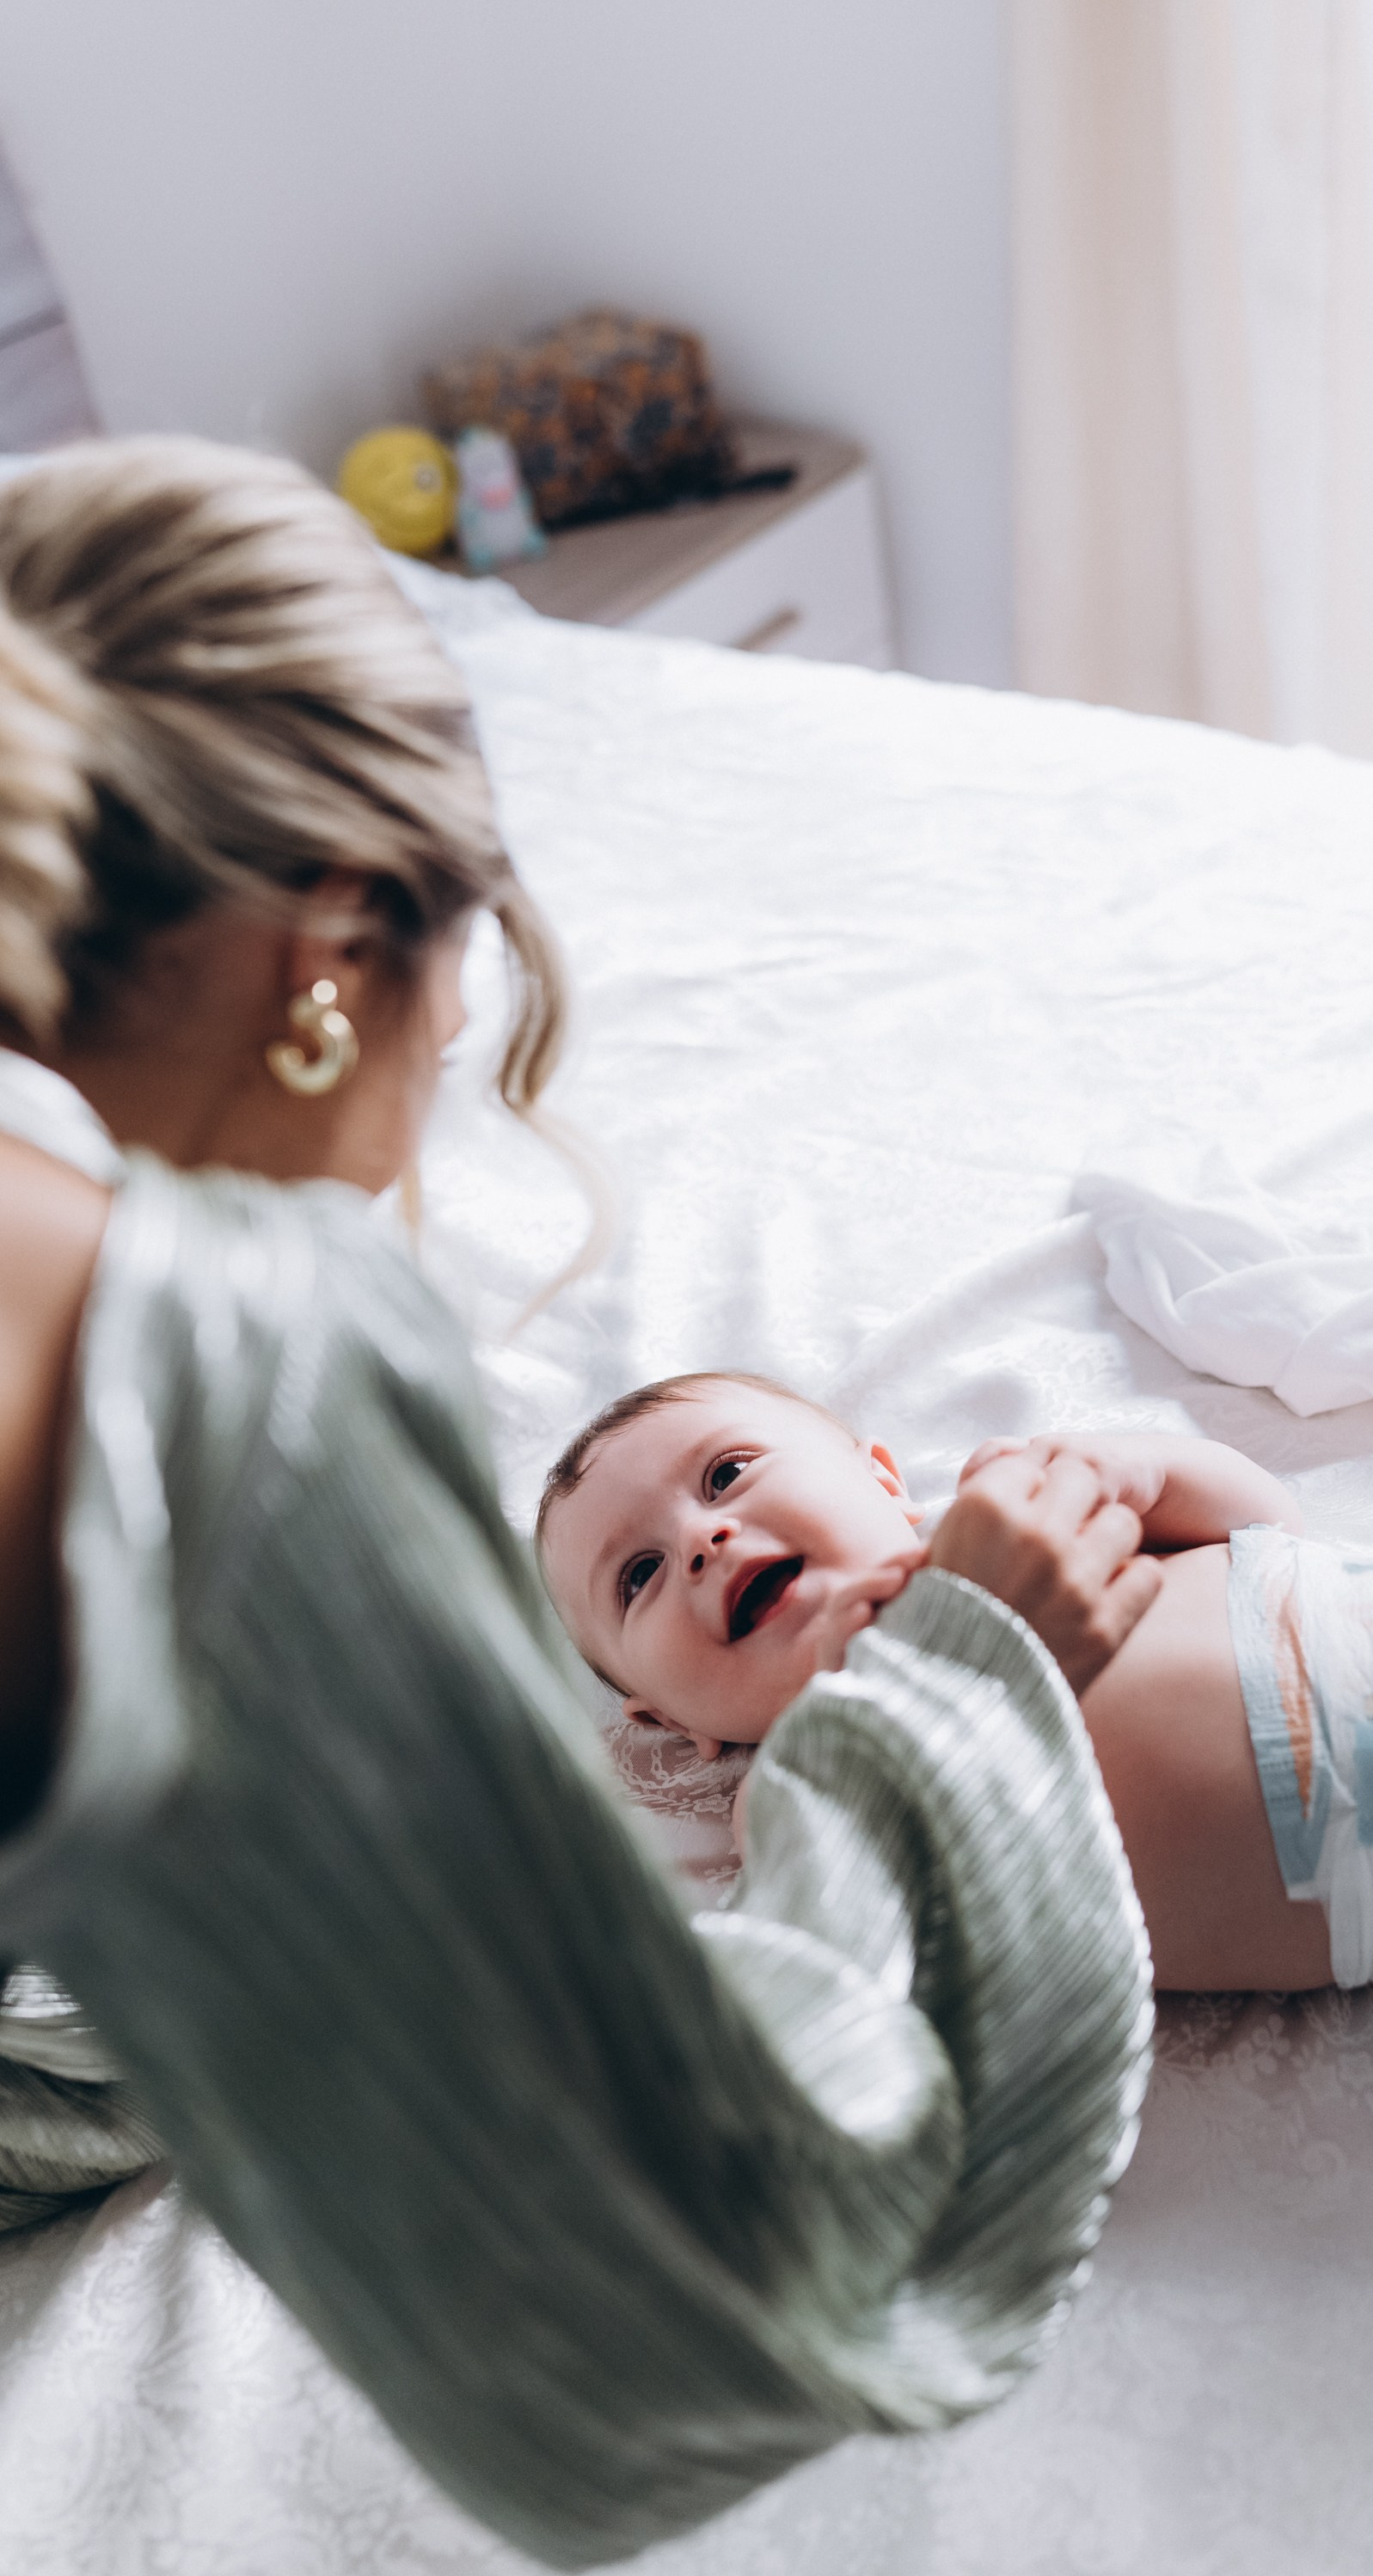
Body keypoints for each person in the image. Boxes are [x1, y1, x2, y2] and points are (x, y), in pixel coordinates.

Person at [0, 437, 1157, 2568]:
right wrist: (952, 1695)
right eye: (476, 964)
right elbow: (700, 2309)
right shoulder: (212, 1378)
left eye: (738, 1472)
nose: (456, 1059)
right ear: (335, 959)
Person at [538, 1167, 1373, 1998]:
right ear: (665, 1721)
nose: (703, 1542)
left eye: (729, 1474)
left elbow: (1267, 1526)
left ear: (878, 1476)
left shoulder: (1032, 1524)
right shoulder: (802, 1784)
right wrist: (940, 1662)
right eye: (636, 1577)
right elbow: (866, 1950)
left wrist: (1139, 1469)